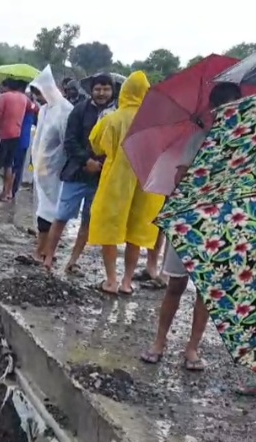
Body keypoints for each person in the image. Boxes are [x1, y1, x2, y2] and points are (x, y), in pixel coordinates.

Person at [140, 82, 243, 372]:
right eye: (222, 106)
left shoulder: (244, 144)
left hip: (222, 225)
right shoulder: (198, 139)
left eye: (233, 106)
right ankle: (160, 341)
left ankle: (193, 348)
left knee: (206, 292)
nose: (228, 112)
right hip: (191, 222)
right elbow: (180, 180)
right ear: (212, 109)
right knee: (175, 284)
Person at [86, 71, 165, 296]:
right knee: (136, 234)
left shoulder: (112, 118)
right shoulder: (156, 123)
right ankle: (127, 282)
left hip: (115, 183)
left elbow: (96, 145)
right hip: (147, 183)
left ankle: (111, 280)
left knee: (109, 229)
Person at [41, 73, 116, 274]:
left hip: (101, 177)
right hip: (77, 173)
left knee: (88, 221)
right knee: (61, 216)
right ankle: (48, 257)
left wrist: (101, 163)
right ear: (91, 90)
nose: (102, 93)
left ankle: (73, 261)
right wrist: (87, 160)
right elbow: (70, 141)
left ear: (112, 90)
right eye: (98, 89)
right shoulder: (80, 110)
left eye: (106, 89)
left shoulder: (116, 114)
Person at [26, 67, 72, 266]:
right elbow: (40, 138)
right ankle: (42, 249)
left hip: (56, 170)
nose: (38, 98)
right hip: (42, 168)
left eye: (39, 93)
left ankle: (45, 251)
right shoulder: (44, 109)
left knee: (52, 213)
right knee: (42, 211)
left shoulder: (65, 110)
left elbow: (66, 142)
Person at [10, 83, 41, 201]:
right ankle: (11, 190)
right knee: (16, 167)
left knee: (14, 167)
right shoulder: (31, 106)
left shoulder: (29, 106)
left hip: (19, 139)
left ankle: (10, 191)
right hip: (22, 140)